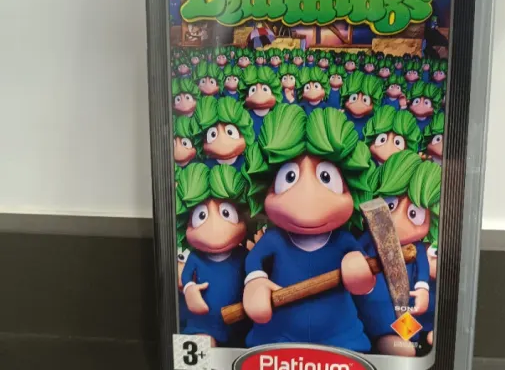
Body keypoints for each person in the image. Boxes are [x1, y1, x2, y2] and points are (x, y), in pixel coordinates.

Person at [241, 106, 376, 350]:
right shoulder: (275, 239)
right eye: (288, 177)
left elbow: (363, 284)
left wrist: (358, 268)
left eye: (326, 177)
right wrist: (255, 283)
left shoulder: (343, 240)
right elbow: (254, 261)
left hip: (340, 335)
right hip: (279, 336)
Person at [361, 152, 441, 355]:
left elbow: (422, 269)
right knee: (380, 316)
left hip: (404, 301)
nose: (397, 221)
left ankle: (413, 339)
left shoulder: (417, 248)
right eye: (390, 206)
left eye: (413, 213)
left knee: (408, 326)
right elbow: (355, 251)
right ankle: (382, 339)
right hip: (375, 296)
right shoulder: (370, 238)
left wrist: (422, 289)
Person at [176, 164, 247, 345]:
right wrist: (190, 290)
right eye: (201, 216)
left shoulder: (241, 255)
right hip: (204, 324)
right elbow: (186, 278)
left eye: (226, 213)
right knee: (203, 346)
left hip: (240, 321)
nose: (215, 228)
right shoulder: (195, 257)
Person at [194, 95, 255, 171]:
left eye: (230, 132)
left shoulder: (247, 162)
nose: (222, 141)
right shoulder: (207, 166)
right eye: (212, 134)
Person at [238, 65, 283, 137]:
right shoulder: (244, 117)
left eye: (265, 89)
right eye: (253, 90)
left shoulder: (277, 116)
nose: (259, 94)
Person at [340, 73, 384, 138]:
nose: (358, 103)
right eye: (353, 98)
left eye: (365, 100)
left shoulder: (371, 121)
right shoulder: (343, 115)